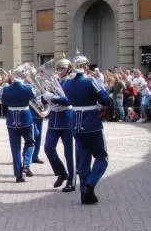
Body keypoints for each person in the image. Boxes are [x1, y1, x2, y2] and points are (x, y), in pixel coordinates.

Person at [62, 53, 111, 204]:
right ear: (84, 66)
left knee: (83, 160)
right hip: (92, 124)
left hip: (75, 124)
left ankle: (85, 195)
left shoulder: (66, 84)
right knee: (102, 158)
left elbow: (66, 100)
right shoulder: (91, 81)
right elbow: (106, 100)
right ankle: (90, 183)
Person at [42, 57, 76, 192]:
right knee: (48, 148)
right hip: (54, 119)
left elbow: (69, 101)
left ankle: (71, 181)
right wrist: (44, 97)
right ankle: (62, 173)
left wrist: (53, 97)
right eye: (58, 68)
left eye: (62, 68)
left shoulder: (70, 83)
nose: (59, 71)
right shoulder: (52, 82)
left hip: (67, 119)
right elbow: (44, 99)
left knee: (69, 152)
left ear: (68, 70)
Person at [1, 65, 37, 182]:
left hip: (11, 120)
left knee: (15, 148)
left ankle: (18, 174)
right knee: (30, 142)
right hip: (25, 118)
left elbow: (4, 101)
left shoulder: (6, 89)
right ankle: (26, 164)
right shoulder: (28, 88)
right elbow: (34, 96)